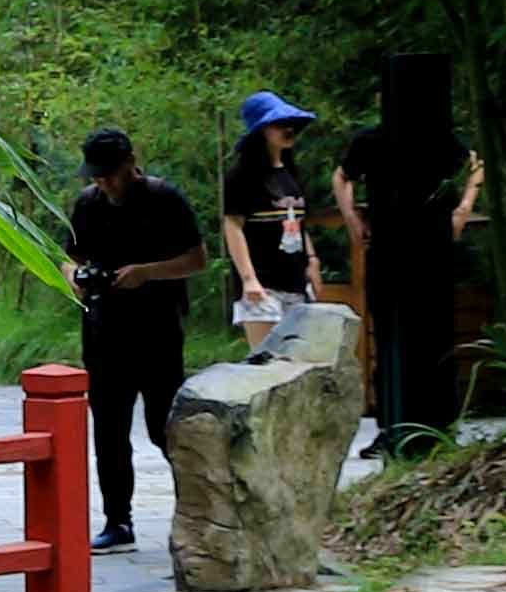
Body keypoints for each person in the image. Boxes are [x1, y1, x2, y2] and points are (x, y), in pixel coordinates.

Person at [61, 124, 208, 549]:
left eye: (109, 172)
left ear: (130, 164)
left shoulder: (164, 199)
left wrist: (145, 273)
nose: (103, 181)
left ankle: (195, 513)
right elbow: (68, 258)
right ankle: (117, 521)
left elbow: (197, 259)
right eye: (96, 174)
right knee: (108, 429)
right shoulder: (88, 205)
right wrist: (75, 277)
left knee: (165, 427)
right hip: (103, 329)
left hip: (157, 329)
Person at [217, 91, 355, 354]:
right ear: (262, 131)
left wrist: (312, 260)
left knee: (298, 360)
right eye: (279, 124)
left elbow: (297, 222)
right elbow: (233, 226)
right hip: (262, 283)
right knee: (266, 360)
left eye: (290, 123)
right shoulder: (241, 176)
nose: (288, 129)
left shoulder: (290, 172)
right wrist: (249, 279)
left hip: (295, 279)